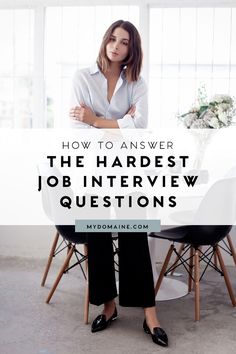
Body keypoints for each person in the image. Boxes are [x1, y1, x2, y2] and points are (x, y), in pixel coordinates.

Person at [69, 20, 168, 347]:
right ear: (105, 40)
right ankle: (108, 306)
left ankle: (149, 314)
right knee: (97, 239)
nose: (116, 45)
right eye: (112, 38)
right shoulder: (83, 78)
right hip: (94, 171)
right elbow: (80, 133)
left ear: (131, 49)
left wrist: (96, 119)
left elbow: (140, 130)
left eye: (124, 42)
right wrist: (121, 124)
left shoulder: (137, 83)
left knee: (134, 237)